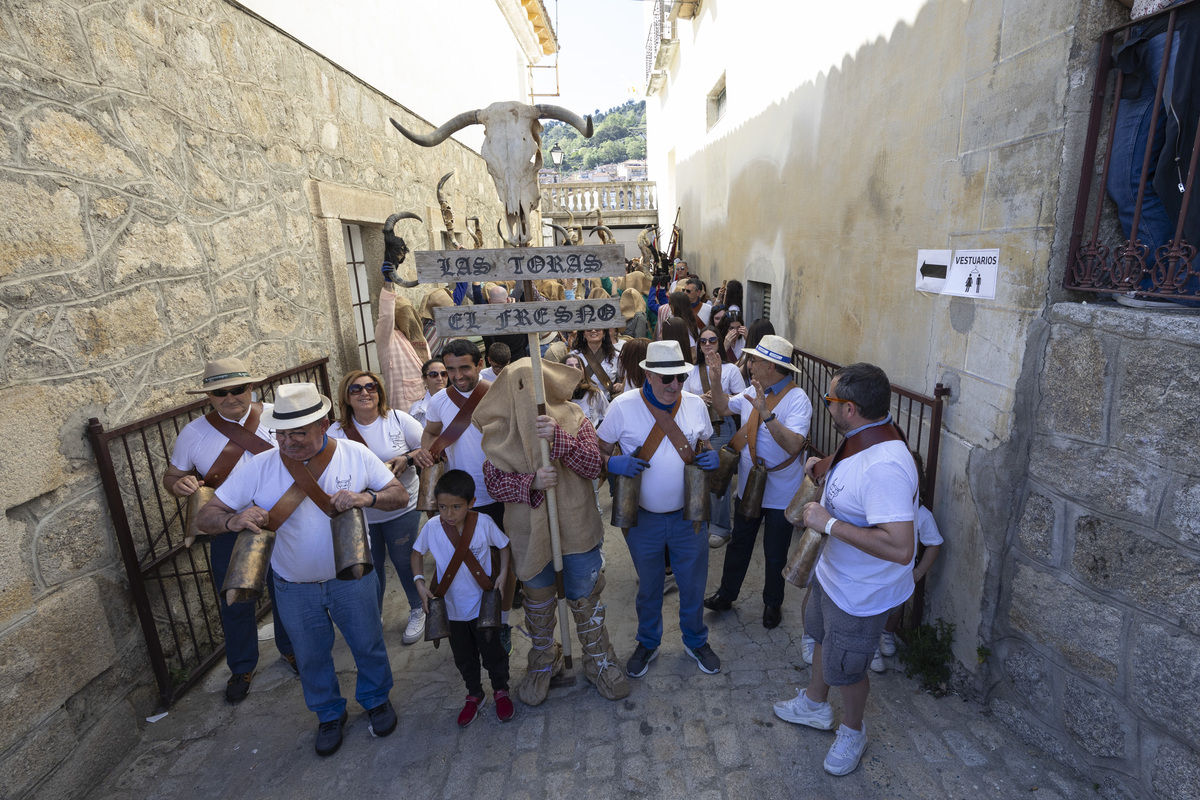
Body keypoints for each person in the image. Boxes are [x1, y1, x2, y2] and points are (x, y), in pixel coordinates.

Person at [197, 382, 407, 756]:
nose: (289, 442)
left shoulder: (355, 454)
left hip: (353, 580)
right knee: (310, 656)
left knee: (368, 644)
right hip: (293, 587)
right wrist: (234, 520)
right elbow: (207, 516)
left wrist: (367, 497)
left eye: (299, 433)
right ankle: (328, 714)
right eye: (282, 433)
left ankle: (376, 700)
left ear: (324, 424)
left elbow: (399, 494)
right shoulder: (260, 465)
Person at [772, 362, 918, 777]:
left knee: (848, 669)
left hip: (860, 592)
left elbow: (901, 546)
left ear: (850, 408)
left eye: (830, 401)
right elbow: (854, 455)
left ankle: (853, 729)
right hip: (834, 577)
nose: (826, 406)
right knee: (819, 638)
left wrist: (828, 523)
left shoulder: (884, 467)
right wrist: (824, 467)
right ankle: (816, 706)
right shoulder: (864, 435)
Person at [477, 359, 630, 705]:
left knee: (584, 595)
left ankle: (598, 660)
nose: (526, 395)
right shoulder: (499, 432)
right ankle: (545, 657)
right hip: (528, 534)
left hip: (575, 527)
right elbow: (493, 483)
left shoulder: (575, 416)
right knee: (538, 601)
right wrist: (530, 481)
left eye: (532, 385)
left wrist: (560, 441)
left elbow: (594, 466)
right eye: (518, 387)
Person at [162, 357, 295, 704]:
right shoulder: (193, 433)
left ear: (251, 388)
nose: (231, 397)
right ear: (209, 396)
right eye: (221, 392)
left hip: (284, 517)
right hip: (228, 524)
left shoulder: (278, 415)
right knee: (235, 599)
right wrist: (181, 485)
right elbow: (172, 477)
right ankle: (241, 665)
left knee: (288, 590)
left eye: (238, 389)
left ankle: (292, 649)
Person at [597, 340, 723, 677]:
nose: (674, 386)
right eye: (666, 379)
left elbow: (705, 443)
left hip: (690, 517)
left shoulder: (695, 405)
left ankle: (695, 639)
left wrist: (713, 457)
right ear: (648, 375)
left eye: (680, 378)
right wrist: (613, 463)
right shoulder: (622, 407)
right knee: (649, 586)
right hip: (643, 520)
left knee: (694, 584)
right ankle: (648, 641)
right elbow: (597, 452)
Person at [413, 339, 516, 652]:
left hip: (500, 492)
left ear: (479, 364)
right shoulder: (439, 401)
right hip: (461, 499)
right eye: (450, 369)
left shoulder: (499, 394)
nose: (457, 375)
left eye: (464, 368)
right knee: (466, 561)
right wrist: (427, 450)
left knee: (504, 563)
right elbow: (431, 433)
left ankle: (504, 622)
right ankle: (471, 620)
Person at [703, 334, 810, 628]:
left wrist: (766, 413)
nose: (750, 364)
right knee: (739, 544)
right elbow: (724, 407)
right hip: (750, 486)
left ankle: (772, 604)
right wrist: (714, 376)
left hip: (781, 492)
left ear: (772, 367)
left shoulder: (797, 399)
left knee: (775, 553)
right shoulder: (754, 388)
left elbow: (793, 446)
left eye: (756, 360)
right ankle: (726, 595)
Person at [329, 370, 429, 644]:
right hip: (360, 515)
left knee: (404, 561)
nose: (365, 393)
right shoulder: (335, 432)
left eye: (371, 387)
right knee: (370, 567)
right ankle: (374, 614)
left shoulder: (398, 419)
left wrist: (407, 458)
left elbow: (427, 448)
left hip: (401, 507)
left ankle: (419, 609)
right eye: (356, 389)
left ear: (379, 391)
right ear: (346, 398)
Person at [411, 469, 514, 725]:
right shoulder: (432, 527)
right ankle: (474, 694)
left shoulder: (483, 523)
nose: (448, 514)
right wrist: (419, 583)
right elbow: (416, 554)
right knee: (464, 656)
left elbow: (503, 546)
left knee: (493, 653)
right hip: (451, 608)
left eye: (456, 507)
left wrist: (502, 575)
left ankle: (501, 689)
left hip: (483, 606)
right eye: (442, 507)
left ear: (471, 503)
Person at [870, 452, 942, 673]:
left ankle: (887, 634)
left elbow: (934, 543)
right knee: (873, 610)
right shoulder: (878, 509)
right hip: (874, 575)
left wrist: (919, 573)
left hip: (901, 575)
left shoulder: (921, 514)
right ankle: (871, 645)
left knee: (895, 607)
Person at [682, 326, 747, 548]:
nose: (708, 344)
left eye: (712, 340)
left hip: (721, 426)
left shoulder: (731, 370)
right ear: (699, 345)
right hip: (694, 428)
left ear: (719, 343)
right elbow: (681, 397)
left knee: (720, 477)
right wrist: (699, 398)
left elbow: (742, 400)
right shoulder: (691, 370)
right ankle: (702, 518)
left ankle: (721, 527)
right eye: (703, 341)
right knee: (697, 475)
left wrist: (720, 396)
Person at [376, 268, 431, 414]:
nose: (408, 317)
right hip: (404, 413)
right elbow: (385, 316)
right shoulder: (388, 339)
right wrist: (388, 285)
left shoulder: (421, 339)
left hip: (430, 410)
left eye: (410, 312)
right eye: (402, 313)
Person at [572, 327, 622, 401]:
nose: (593, 331)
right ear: (583, 334)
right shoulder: (574, 356)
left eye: (598, 329)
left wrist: (621, 385)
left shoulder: (615, 356)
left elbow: (624, 379)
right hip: (580, 403)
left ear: (604, 333)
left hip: (607, 403)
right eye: (589, 329)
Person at [564, 353, 609, 427]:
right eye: (570, 366)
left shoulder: (595, 393)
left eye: (578, 366)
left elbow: (607, 415)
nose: (575, 369)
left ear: (583, 370)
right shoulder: (556, 396)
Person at [408, 358, 447, 427]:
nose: (440, 378)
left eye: (443, 374)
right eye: (434, 374)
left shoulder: (458, 401)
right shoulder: (417, 410)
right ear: (425, 379)